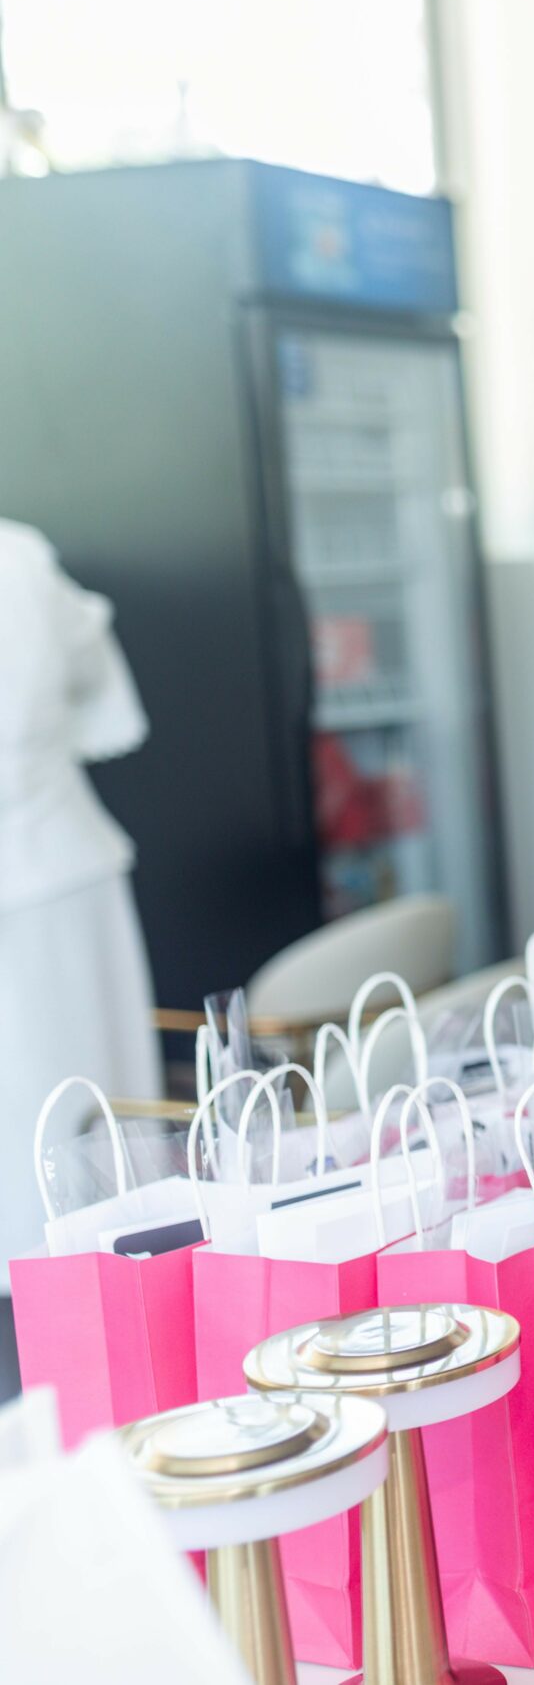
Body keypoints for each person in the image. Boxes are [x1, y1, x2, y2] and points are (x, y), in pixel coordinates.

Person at [0, 519, 161, 1270]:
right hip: (63, 863)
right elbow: (95, 677)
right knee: (89, 1101)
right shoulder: (19, 556)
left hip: (55, 870)